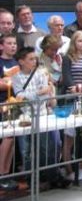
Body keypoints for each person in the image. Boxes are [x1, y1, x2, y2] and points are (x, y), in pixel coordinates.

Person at [12, 47, 69, 188]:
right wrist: (38, 93)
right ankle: (31, 178)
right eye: (30, 59)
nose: (34, 61)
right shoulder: (16, 78)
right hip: (25, 118)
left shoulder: (40, 75)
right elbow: (20, 96)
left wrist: (32, 95)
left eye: (35, 59)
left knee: (47, 147)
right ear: (21, 61)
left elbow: (45, 95)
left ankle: (49, 175)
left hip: (42, 115)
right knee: (27, 150)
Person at [61, 30, 82, 180]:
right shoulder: (67, 58)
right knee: (69, 138)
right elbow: (67, 77)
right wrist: (75, 89)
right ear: (74, 43)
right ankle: (69, 170)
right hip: (71, 99)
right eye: (79, 41)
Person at [0, 34, 18, 191]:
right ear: (1, 46)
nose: (13, 46)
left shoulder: (17, 62)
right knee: (6, 138)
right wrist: (12, 83)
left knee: (11, 139)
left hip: (15, 104)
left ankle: (7, 172)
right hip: (2, 104)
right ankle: (2, 174)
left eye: (14, 43)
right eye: (9, 43)